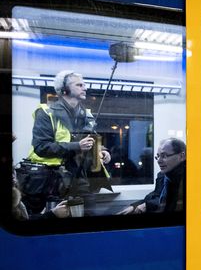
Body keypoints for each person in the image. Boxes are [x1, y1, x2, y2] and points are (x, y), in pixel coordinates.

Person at [24, 70, 111, 214]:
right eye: (79, 85)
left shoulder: (85, 115)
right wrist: (77, 146)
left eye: (84, 85)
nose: (85, 88)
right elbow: (41, 147)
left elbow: (92, 139)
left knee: (91, 216)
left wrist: (102, 151)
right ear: (64, 90)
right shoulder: (46, 113)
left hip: (80, 178)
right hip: (53, 179)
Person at [118, 138, 186, 214]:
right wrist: (134, 206)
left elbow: (169, 202)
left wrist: (147, 205)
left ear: (182, 156)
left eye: (164, 156)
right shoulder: (163, 175)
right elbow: (156, 194)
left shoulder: (188, 178)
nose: (159, 161)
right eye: (158, 156)